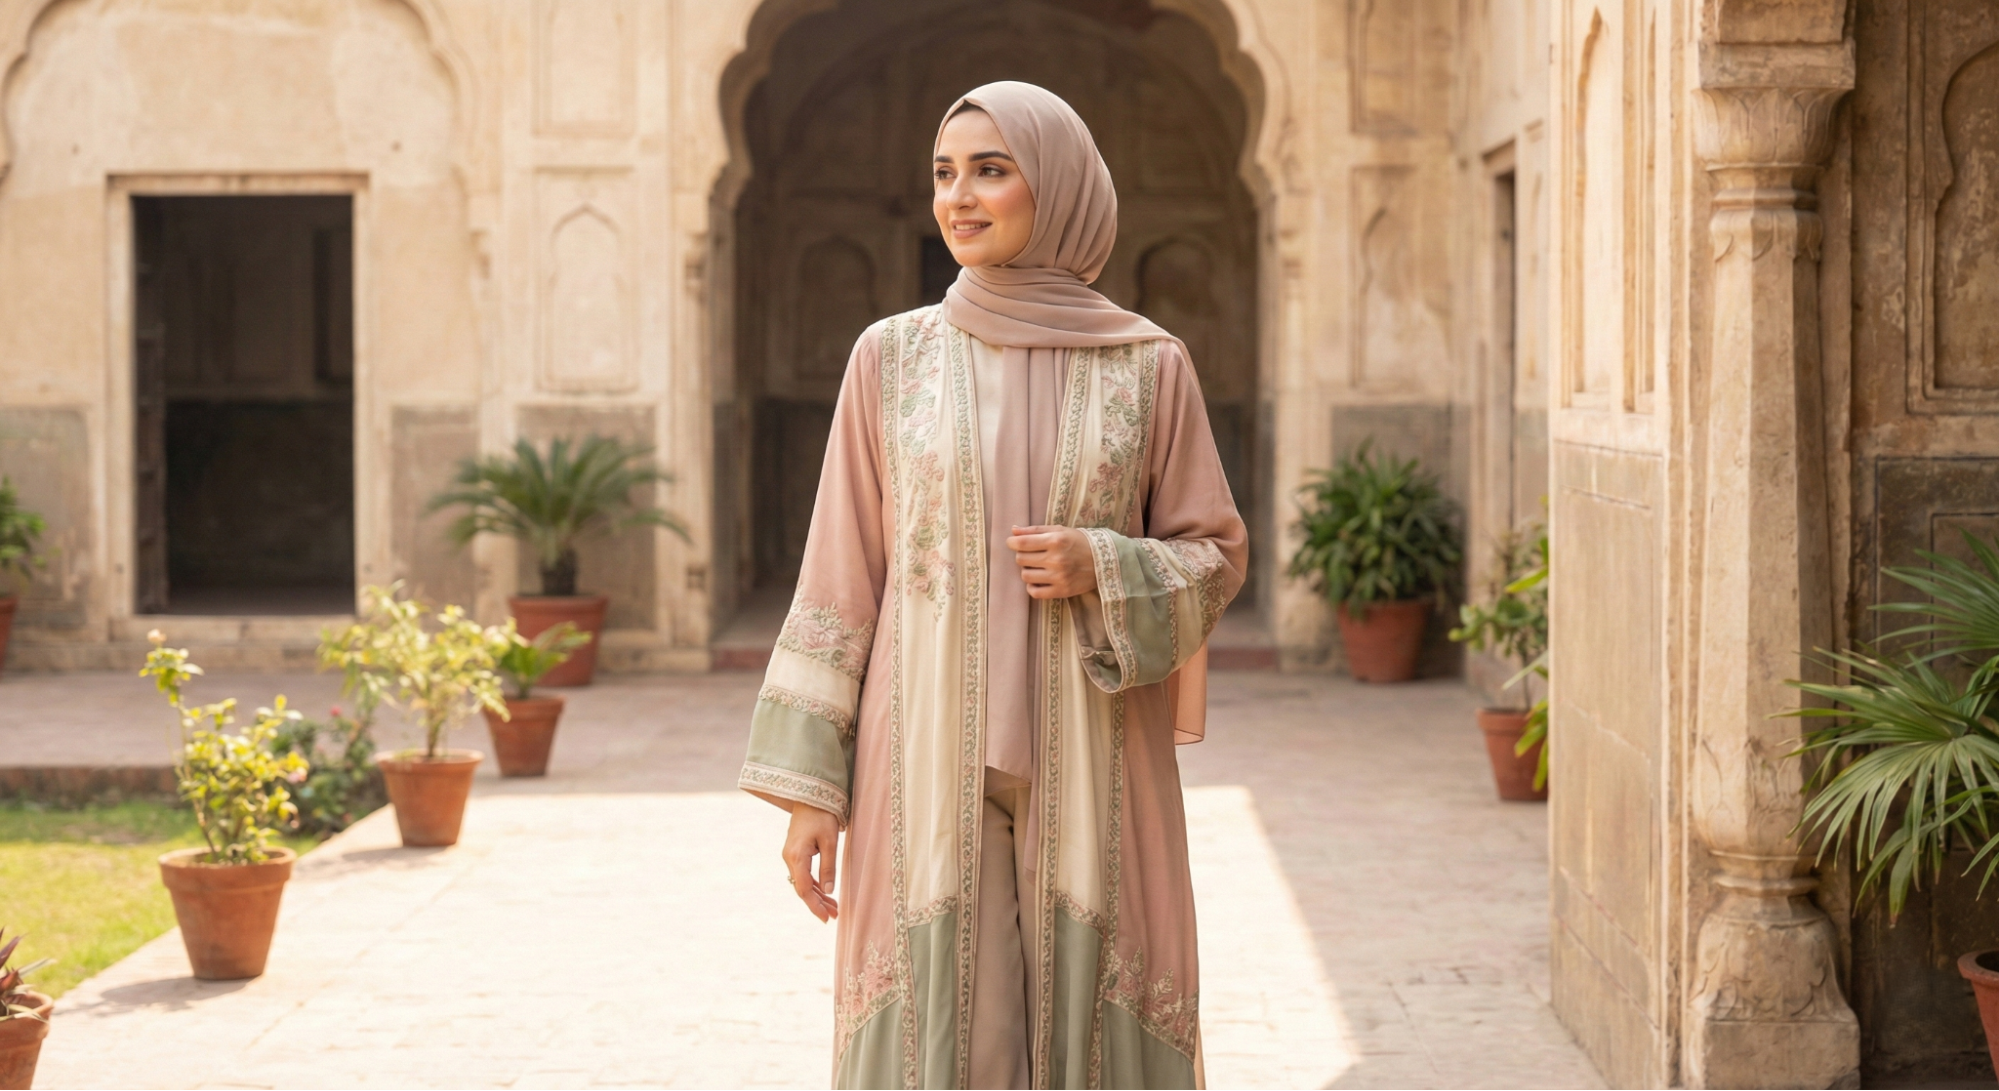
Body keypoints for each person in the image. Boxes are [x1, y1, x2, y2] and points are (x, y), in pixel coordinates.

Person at [738, 80, 1246, 1090]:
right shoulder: (891, 359)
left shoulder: (1149, 365)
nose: (958, 198)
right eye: (942, 173)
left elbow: (1214, 551)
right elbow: (842, 572)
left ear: (1054, 189)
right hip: (920, 747)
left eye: (990, 170)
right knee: (939, 1031)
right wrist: (811, 792)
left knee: (1093, 1014)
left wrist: (1103, 563)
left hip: (1095, 744)